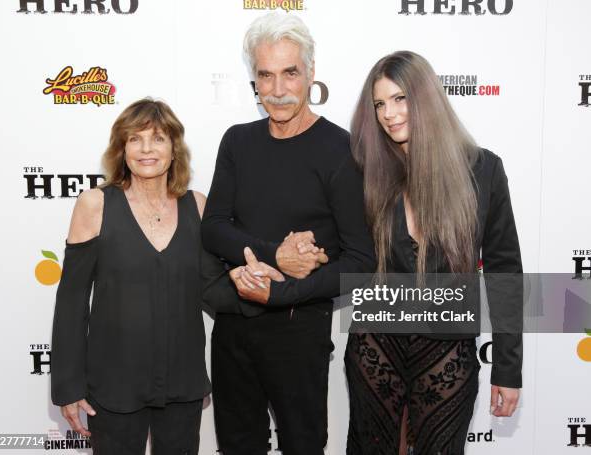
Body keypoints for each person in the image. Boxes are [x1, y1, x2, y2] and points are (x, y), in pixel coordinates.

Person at [201, 12, 376, 455]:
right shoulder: (237, 142)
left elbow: (360, 260)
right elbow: (214, 229)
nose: (277, 90)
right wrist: (277, 256)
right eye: (265, 75)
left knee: (303, 446)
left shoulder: (341, 149)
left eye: (290, 73)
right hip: (234, 326)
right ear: (254, 79)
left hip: (300, 330)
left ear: (311, 73)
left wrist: (282, 292)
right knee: (237, 447)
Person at [344, 51, 523, 455]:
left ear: (425, 98)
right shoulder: (364, 170)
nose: (388, 114)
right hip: (377, 341)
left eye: (400, 98)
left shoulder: (483, 171)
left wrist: (508, 369)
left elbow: (505, 273)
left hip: (448, 346)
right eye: (380, 103)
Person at [50, 98, 212, 455]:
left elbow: (215, 290)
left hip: (182, 383)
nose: (146, 149)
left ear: (174, 148)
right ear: (121, 148)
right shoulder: (96, 204)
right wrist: (68, 386)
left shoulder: (198, 206)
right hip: (113, 384)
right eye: (134, 139)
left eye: (157, 138)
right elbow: (72, 301)